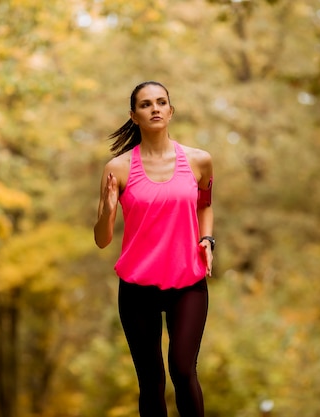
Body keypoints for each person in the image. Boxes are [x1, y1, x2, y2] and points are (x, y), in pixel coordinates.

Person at [94, 81, 214, 417]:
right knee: (151, 380)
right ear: (134, 116)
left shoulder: (198, 161)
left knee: (182, 369)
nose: (155, 109)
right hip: (137, 288)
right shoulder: (117, 169)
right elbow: (102, 239)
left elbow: (205, 204)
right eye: (146, 105)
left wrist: (207, 239)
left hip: (187, 281)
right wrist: (107, 210)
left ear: (171, 111)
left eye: (161, 102)